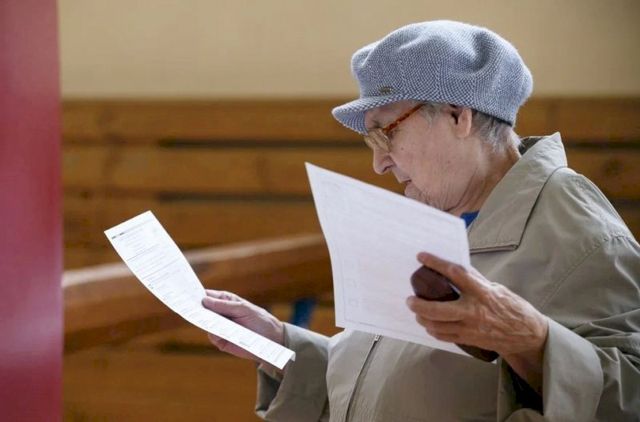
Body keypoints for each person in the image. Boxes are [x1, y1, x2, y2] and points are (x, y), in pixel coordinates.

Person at [202, 20, 640, 421]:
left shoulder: (582, 231)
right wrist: (280, 345)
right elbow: (400, 387)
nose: (379, 163)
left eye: (386, 132)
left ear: (458, 114)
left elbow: (629, 399)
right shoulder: (438, 216)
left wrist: (533, 340)